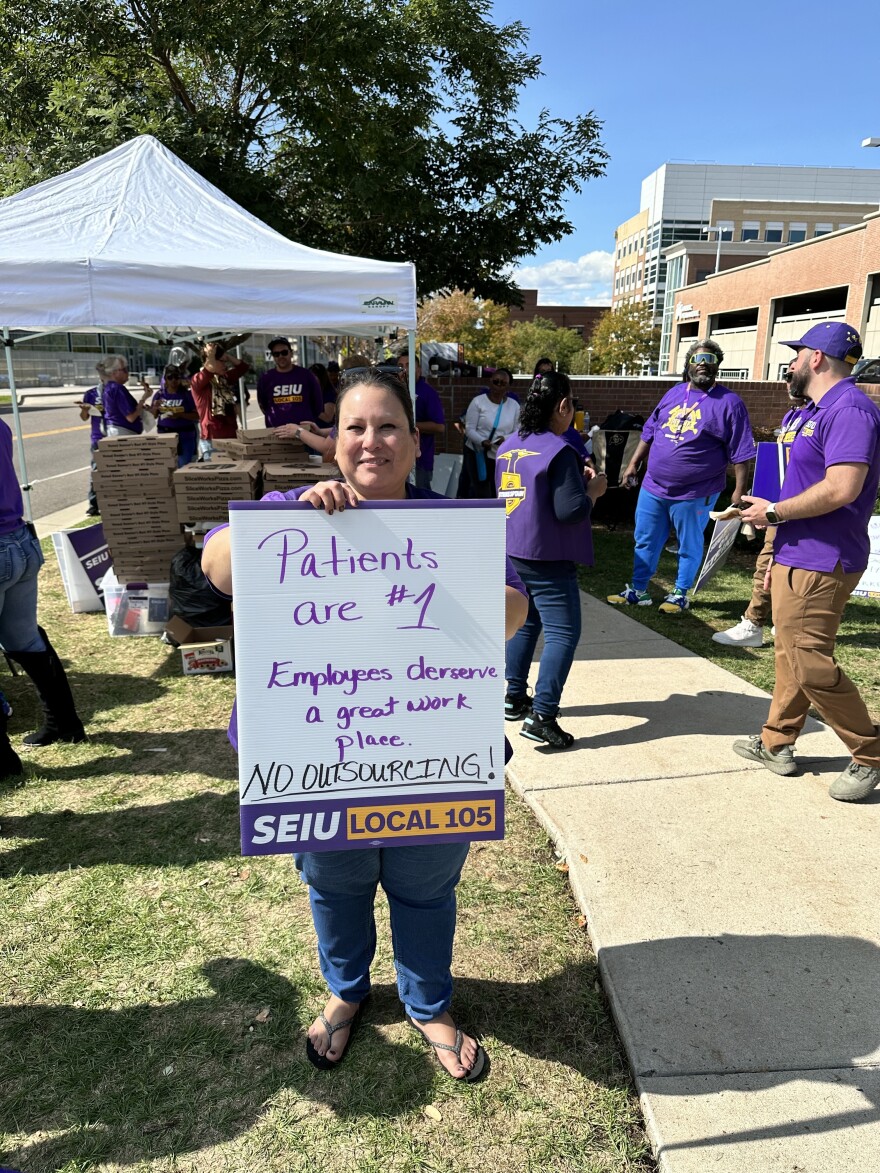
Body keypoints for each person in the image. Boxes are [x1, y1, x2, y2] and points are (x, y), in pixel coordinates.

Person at [201, 367, 528, 1081]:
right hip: (319, 752)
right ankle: (347, 992)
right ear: (333, 441)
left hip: (430, 751)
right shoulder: (293, 509)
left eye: (387, 426)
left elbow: (513, 612)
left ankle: (427, 1002)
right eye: (355, 426)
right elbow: (218, 566)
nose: (371, 440)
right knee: (337, 885)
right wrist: (291, 525)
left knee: (425, 888)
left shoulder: (457, 524)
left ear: (416, 442)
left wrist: (434, 578)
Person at [734, 322, 880, 803]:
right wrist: (768, 509)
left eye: (797, 355)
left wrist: (775, 511)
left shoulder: (850, 410)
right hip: (797, 550)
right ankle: (777, 742)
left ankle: (870, 753)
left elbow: (843, 488)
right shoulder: (821, 410)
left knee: (809, 661)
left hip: (823, 558)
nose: (791, 364)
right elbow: (812, 483)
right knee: (789, 654)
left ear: (817, 358)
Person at [496, 373, 608, 748]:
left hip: (512, 547)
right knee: (563, 631)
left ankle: (513, 695)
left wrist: (575, 479)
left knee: (526, 622)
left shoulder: (509, 445)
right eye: (572, 404)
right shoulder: (560, 450)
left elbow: (533, 490)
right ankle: (543, 716)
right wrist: (593, 490)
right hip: (547, 553)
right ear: (562, 406)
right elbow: (570, 510)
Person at [607, 338, 756, 613]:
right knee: (646, 538)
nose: (702, 364)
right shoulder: (673, 393)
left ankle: (680, 593)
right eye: (697, 359)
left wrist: (739, 491)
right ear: (688, 365)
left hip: (696, 491)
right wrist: (633, 464)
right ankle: (638, 590)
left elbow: (741, 451)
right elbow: (650, 431)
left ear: (717, 366)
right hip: (654, 486)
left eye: (709, 360)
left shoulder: (730, 403)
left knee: (689, 542)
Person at [0, 417, 85, 779]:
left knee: (26, 640)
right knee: (26, 640)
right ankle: (64, 722)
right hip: (19, 540)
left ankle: (3, 759)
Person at [712, 370, 813, 647]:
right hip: (780, 505)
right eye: (787, 374)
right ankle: (772, 622)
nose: (789, 380)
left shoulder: (819, 416)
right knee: (770, 564)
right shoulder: (792, 416)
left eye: (795, 373)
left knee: (775, 565)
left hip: (799, 508)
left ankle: (756, 623)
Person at [460, 369, 520, 499]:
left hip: (500, 454)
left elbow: (517, 431)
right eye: (496, 382)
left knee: (498, 491)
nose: (498, 386)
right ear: (490, 382)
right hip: (478, 452)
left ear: (508, 386)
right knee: (482, 492)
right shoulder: (478, 402)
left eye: (503, 383)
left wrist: (505, 438)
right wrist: (482, 441)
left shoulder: (514, 406)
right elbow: (469, 429)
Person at [190, 340, 250, 461]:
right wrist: (211, 356)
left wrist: (226, 355)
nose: (226, 365)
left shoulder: (225, 378)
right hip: (212, 440)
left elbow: (243, 367)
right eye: (222, 362)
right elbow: (208, 370)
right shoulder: (199, 380)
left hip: (231, 436)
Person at [397, 352, 445, 490]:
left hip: (420, 461)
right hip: (395, 459)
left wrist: (408, 425)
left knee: (419, 502)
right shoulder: (394, 391)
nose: (404, 369)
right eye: (400, 366)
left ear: (419, 370)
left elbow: (439, 427)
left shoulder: (427, 393)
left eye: (408, 365)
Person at [257, 337, 324, 429]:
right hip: (276, 433)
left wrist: (307, 421)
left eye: (284, 352)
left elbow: (318, 404)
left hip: (303, 432)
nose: (281, 356)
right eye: (276, 354)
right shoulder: (265, 378)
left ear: (291, 353)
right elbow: (263, 405)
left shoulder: (306, 375)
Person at [145, 365, 200, 467]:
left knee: (184, 467)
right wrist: (155, 408)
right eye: (170, 377)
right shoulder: (160, 395)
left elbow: (197, 415)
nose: (173, 380)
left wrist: (180, 415)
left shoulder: (187, 395)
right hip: (165, 436)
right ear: (165, 379)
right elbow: (154, 416)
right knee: (168, 468)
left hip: (185, 436)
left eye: (176, 377)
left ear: (180, 378)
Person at [75, 365, 107, 515]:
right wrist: (84, 409)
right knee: (96, 470)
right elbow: (84, 418)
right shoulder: (91, 394)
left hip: (115, 436)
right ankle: (94, 504)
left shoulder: (116, 391)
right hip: (98, 437)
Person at [98, 355, 152, 437]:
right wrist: (144, 398)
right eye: (124, 369)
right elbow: (131, 417)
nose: (127, 372)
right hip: (123, 432)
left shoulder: (109, 387)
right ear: (114, 372)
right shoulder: (117, 388)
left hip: (116, 430)